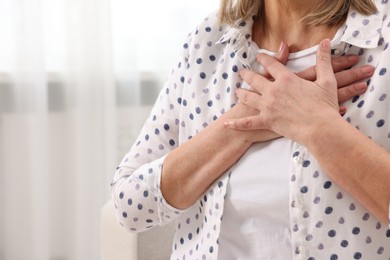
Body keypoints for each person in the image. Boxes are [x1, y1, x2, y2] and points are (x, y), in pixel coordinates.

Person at [110, 0, 390, 259]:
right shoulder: (210, 40)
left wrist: (314, 124)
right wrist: (239, 126)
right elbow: (130, 206)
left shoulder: (382, 38)